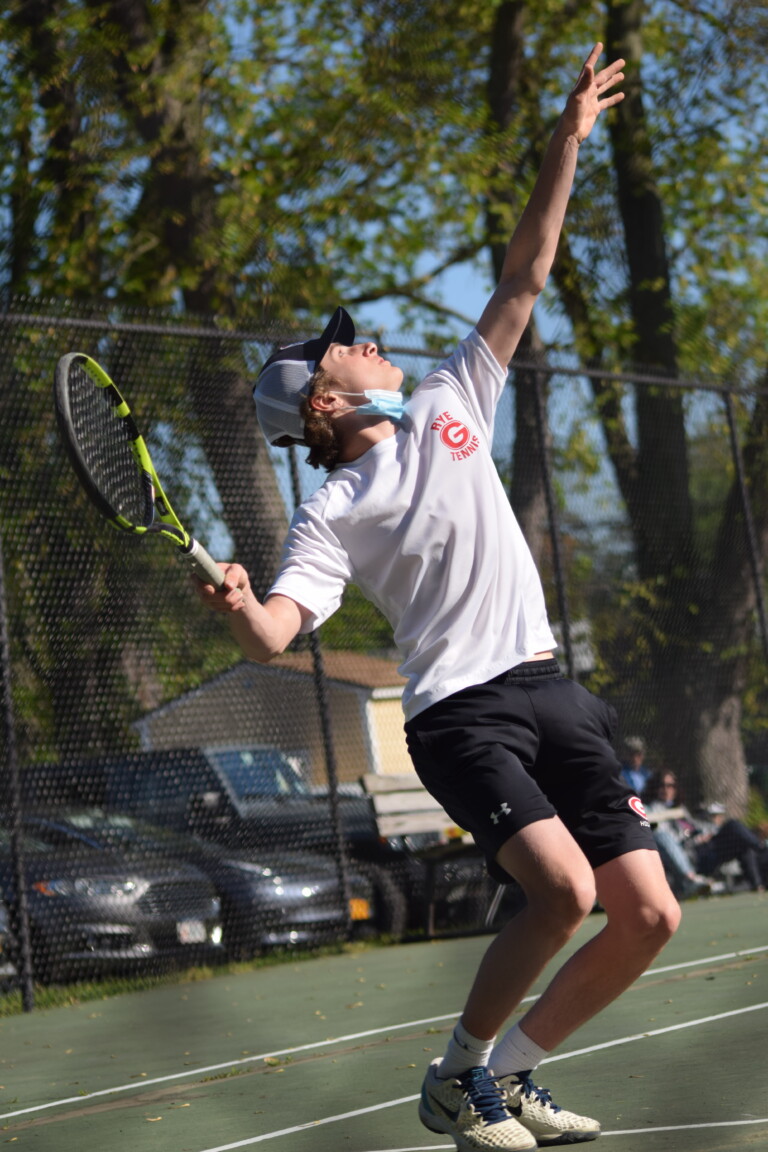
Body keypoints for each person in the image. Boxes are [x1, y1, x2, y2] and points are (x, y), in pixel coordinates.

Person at [198, 44, 681, 1152]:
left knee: (650, 912)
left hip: (552, 691)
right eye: (350, 345)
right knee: (562, 892)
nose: (371, 341)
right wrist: (234, 601)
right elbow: (277, 634)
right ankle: (456, 1079)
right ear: (323, 396)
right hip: (459, 714)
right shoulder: (333, 512)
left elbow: (524, 274)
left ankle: (512, 1074)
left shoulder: (458, 396)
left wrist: (563, 147)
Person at [646, 771, 767, 896]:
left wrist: (709, 832)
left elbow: (697, 826)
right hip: (692, 856)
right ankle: (763, 849)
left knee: (739, 839)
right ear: (654, 787)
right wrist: (694, 839)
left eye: (671, 785)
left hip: (707, 848)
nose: (666, 789)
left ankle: (757, 885)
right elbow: (666, 839)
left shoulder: (680, 809)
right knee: (733, 826)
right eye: (662, 785)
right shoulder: (652, 809)